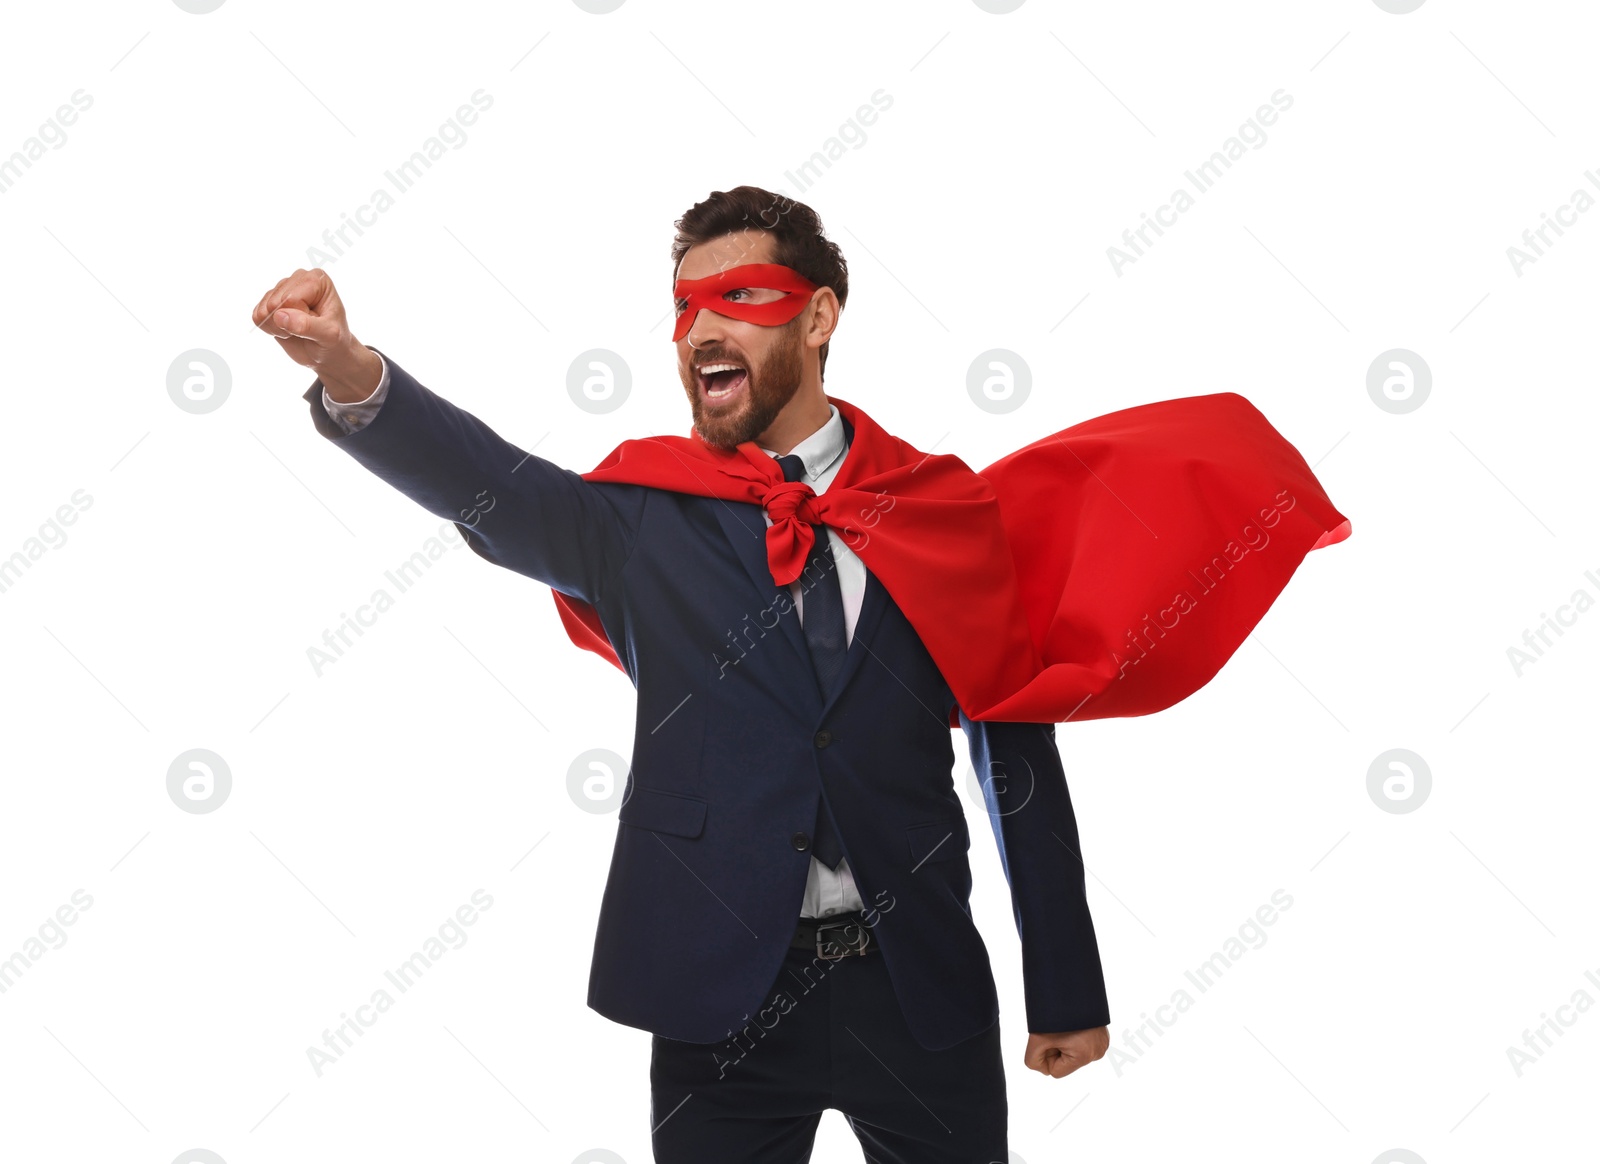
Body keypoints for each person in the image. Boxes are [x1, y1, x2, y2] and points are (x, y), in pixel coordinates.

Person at [254, 185, 1344, 1163]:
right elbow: (491, 487)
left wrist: (1064, 984)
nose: (700, 330)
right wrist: (351, 371)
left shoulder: (943, 515)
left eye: (738, 298)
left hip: (917, 988)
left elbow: (1013, 750)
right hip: (718, 997)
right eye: (683, 308)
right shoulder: (640, 522)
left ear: (818, 317)